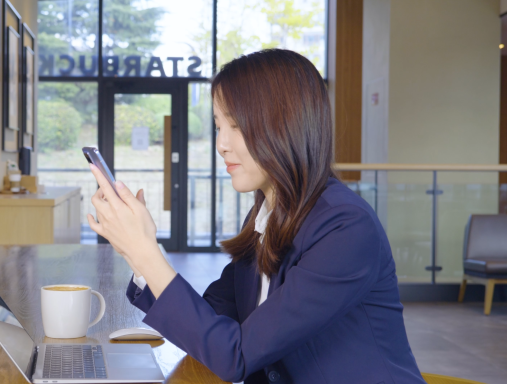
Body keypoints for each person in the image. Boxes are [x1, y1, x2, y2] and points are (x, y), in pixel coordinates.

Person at [87, 49, 425, 384]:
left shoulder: (346, 227)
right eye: (219, 125)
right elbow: (210, 322)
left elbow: (237, 355)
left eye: (235, 124)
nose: (221, 144)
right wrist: (138, 252)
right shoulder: (268, 213)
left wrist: (145, 252)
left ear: (286, 124)